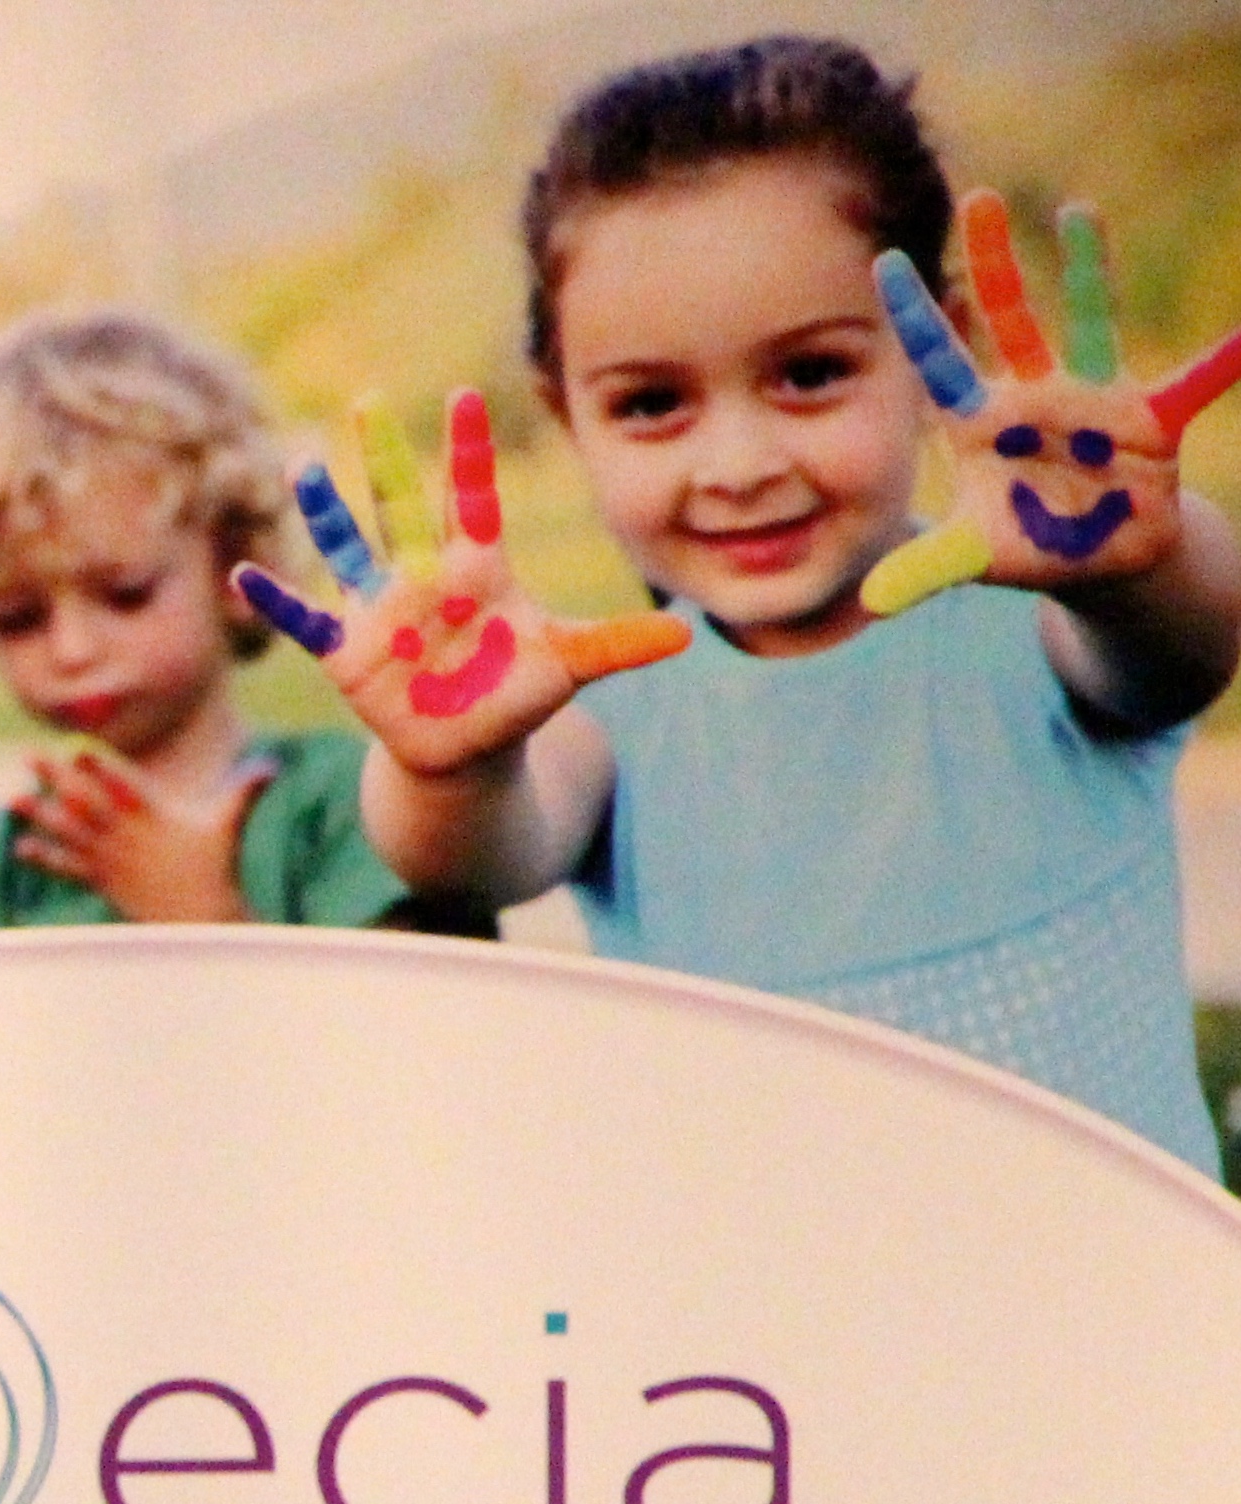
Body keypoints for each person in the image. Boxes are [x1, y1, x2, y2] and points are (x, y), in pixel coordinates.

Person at [243, 36, 1241, 1166]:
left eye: (808, 374)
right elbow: (476, 856)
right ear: (564, 414)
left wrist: (1136, 556)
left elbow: (1186, 643)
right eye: (653, 403)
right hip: (768, 1325)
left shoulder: (1055, 629)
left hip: (1105, 1300)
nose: (738, 461)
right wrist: (448, 760)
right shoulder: (601, 715)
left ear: (939, 351)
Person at [0, 309, 481, 936]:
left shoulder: (353, 804)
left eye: (126, 594)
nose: (72, 649)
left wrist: (209, 919)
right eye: (18, 618)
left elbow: (419, 1022)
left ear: (237, 563)